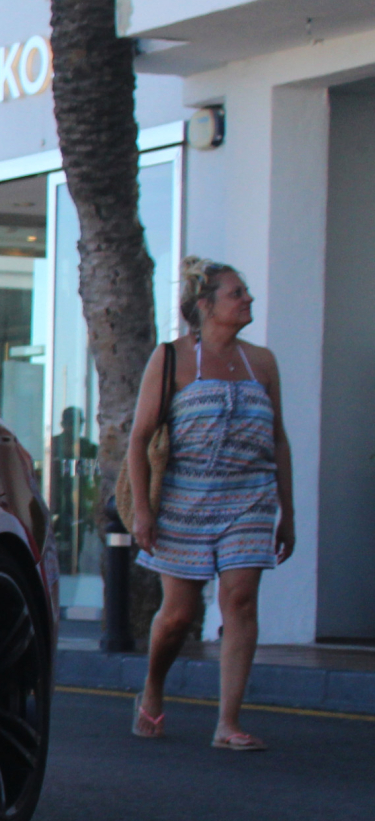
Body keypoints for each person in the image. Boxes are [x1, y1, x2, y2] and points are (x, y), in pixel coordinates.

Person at [123, 257, 295, 749]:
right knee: (177, 614)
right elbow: (139, 439)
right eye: (237, 293)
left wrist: (288, 512)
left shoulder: (262, 362)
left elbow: (278, 439)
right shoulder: (171, 358)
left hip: (250, 495)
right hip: (184, 497)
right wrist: (142, 510)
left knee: (239, 600)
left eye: (246, 293)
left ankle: (228, 723)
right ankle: (153, 690)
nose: (248, 300)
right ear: (206, 304)